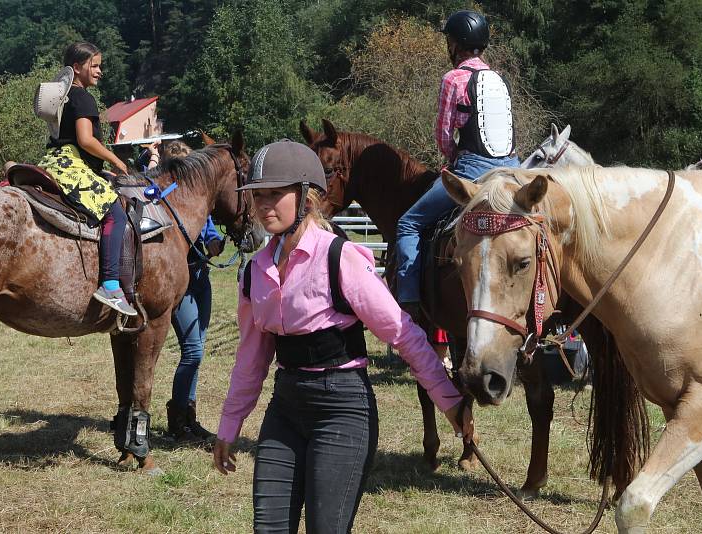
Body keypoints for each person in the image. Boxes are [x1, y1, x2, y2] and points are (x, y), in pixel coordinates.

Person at [212, 140, 474, 533]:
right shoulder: (254, 273)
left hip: (343, 409)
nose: (264, 205)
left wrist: (450, 401)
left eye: (275, 195)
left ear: (305, 197)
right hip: (286, 408)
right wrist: (229, 426)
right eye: (258, 196)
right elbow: (251, 359)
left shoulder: (340, 258)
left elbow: (404, 335)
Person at [395, 10, 521, 311]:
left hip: (473, 172)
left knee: (408, 224)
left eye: (449, 41)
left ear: (455, 44)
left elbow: (443, 135)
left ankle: (409, 300)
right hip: (512, 170)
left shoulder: (453, 79)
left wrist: (453, 162)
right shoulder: (499, 79)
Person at [35, 42, 135, 316]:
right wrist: (116, 160)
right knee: (116, 213)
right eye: (94, 65)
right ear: (76, 68)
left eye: (100, 65)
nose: (99, 71)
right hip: (69, 165)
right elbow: (85, 140)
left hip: (57, 162)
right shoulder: (84, 98)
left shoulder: (66, 97)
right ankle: (111, 284)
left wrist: (101, 170)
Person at [146, 140, 221, 442]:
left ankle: (189, 418)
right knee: (193, 350)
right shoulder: (163, 203)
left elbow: (210, 229)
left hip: (201, 278)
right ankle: (178, 420)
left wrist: (215, 243)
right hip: (182, 280)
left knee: (197, 352)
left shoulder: (197, 203)